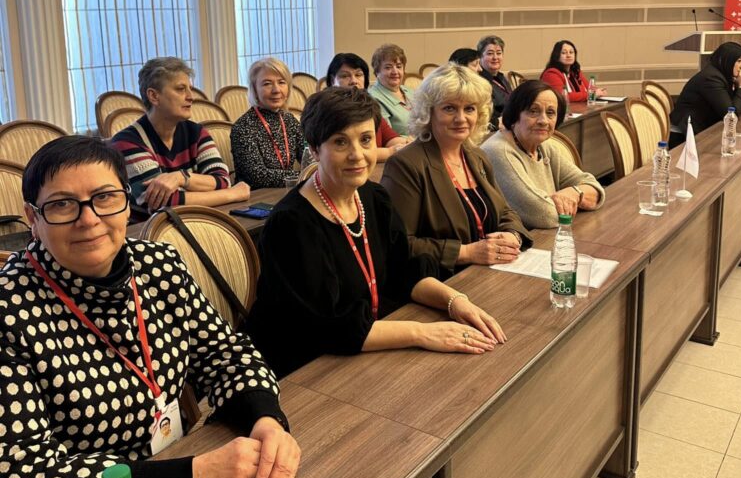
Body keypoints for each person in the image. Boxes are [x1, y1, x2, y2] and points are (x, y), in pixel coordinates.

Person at [0, 136, 300, 478]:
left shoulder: (158, 264)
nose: (88, 219)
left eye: (104, 197)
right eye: (62, 205)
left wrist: (264, 419)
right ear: (32, 219)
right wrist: (193, 477)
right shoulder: (8, 310)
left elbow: (225, 354)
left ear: (127, 202)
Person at [247, 88, 505, 378]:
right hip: (302, 367)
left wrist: (455, 301)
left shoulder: (374, 198)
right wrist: (422, 333)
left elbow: (404, 270)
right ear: (315, 149)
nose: (357, 155)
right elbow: (325, 328)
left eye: (366, 139)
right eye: (340, 142)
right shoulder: (290, 223)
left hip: (366, 345)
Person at [380, 64, 531, 277]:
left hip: (490, 272)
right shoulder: (405, 165)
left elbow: (504, 211)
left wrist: (513, 235)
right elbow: (399, 244)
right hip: (441, 281)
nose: (461, 118)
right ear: (429, 112)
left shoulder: (476, 155)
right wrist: (467, 252)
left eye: (469, 108)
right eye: (449, 108)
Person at [111, 56, 249, 213]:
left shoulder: (196, 132)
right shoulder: (127, 142)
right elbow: (163, 203)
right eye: (180, 89)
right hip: (151, 227)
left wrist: (181, 178)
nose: (191, 96)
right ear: (154, 96)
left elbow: (222, 180)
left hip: (197, 220)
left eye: (190, 89)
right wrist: (233, 194)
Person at [483, 80, 604, 229]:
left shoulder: (544, 146)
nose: (543, 121)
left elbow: (595, 189)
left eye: (550, 113)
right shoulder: (498, 151)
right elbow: (545, 215)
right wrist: (574, 198)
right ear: (515, 114)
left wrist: (574, 193)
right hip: (520, 241)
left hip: (547, 237)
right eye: (533, 111)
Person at [230, 57, 306, 188]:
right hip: (257, 196)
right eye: (267, 84)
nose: (276, 90)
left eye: (281, 82)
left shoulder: (289, 120)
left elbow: (308, 156)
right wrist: (303, 176)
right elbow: (258, 176)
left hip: (287, 190)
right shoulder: (243, 127)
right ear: (254, 90)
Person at [326, 51, 411, 159]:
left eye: (358, 75)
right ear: (332, 80)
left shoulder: (368, 106)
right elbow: (353, 152)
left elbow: (390, 138)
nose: (354, 81)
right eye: (345, 76)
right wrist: (390, 151)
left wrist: (408, 143)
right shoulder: (329, 110)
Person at [669, 41, 741, 148]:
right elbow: (731, 115)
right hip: (683, 137)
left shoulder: (720, 76)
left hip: (699, 131)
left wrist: (738, 87)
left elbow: (732, 110)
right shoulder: (711, 78)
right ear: (725, 60)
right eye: (739, 61)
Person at [367, 43, 414, 136]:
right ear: (377, 71)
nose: (395, 71)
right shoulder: (373, 98)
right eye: (388, 67)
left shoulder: (410, 92)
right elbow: (387, 136)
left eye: (399, 66)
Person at [540, 40, 606, 104]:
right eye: (564, 53)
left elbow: (589, 89)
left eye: (571, 52)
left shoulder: (575, 72)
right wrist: (592, 94)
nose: (568, 55)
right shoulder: (551, 74)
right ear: (556, 56)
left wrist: (599, 92)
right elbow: (563, 96)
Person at [477, 35, 513, 129]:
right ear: (480, 57)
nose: (495, 57)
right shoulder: (479, 81)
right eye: (490, 53)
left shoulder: (501, 78)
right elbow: (486, 116)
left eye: (499, 53)